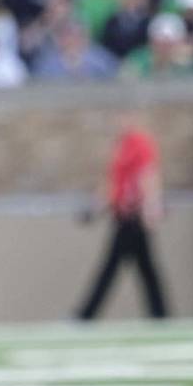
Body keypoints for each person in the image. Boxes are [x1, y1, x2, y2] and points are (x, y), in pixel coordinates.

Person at [76, 116, 169, 320]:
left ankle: (85, 316)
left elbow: (148, 175)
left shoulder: (140, 143)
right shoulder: (121, 146)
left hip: (133, 217)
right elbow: (112, 185)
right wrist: (94, 209)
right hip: (122, 216)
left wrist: (151, 207)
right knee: (146, 270)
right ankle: (161, 314)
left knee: (112, 269)